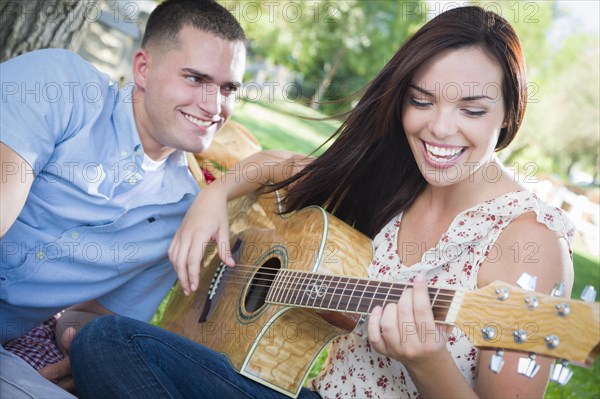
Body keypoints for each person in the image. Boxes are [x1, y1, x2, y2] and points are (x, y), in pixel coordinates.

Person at [70, 6, 575, 399]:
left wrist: (428, 362)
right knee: (111, 341)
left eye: (471, 109)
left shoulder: (528, 240)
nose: (439, 128)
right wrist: (217, 194)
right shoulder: (407, 176)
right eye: (421, 101)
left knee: (102, 347)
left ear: (509, 115)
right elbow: (278, 164)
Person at [0, 0, 245, 397]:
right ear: (143, 69)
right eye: (196, 78)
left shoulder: (181, 216)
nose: (213, 105)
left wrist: (76, 339)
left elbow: (95, 315)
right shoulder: (59, 86)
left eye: (228, 87)